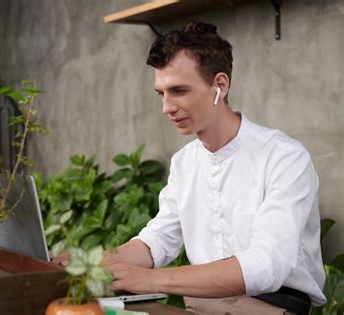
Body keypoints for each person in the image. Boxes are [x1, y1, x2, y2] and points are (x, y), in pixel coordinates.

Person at [54, 21, 326, 314]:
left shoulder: (284, 157)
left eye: (179, 91)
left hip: (273, 307)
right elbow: (157, 241)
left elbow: (265, 265)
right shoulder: (184, 162)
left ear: (219, 86)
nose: (166, 107)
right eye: (161, 93)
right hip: (202, 306)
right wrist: (90, 263)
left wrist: (152, 280)